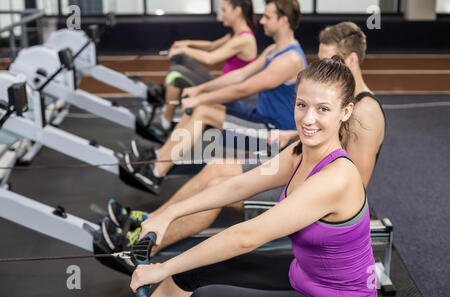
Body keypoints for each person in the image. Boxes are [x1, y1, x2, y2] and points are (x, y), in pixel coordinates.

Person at [104, 22, 385, 255]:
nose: (325, 67)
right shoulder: (340, 101)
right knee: (217, 169)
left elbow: (356, 185)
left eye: (331, 61)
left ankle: (140, 250)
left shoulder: (366, 112)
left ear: (351, 60)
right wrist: (291, 134)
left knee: (219, 191)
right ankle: (151, 221)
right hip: (297, 169)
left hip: (312, 198)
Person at [129, 56, 378, 297]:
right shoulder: (298, 152)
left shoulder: (336, 178)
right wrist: (168, 214)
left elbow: (245, 238)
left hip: (333, 296)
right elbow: (239, 186)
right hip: (303, 275)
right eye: (302, 105)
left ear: (345, 112)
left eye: (323, 109)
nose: (307, 118)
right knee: (187, 274)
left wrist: (162, 267)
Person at [121, 0, 307, 196]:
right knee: (202, 109)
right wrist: (200, 90)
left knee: (202, 111)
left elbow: (242, 88)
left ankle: (156, 171)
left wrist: (199, 98)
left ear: (283, 20)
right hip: (260, 117)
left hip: (274, 135)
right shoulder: (272, 50)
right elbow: (239, 75)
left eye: (268, 17)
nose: (261, 21)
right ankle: (160, 160)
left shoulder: (290, 59)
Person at [141, 0, 258, 142]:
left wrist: (185, 49)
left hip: (226, 96)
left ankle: (165, 121)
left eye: (224, 10)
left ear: (237, 11)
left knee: (176, 74)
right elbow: (211, 46)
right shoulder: (236, 35)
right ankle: (166, 103)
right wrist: (187, 43)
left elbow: (210, 58)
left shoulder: (244, 39)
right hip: (220, 86)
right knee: (181, 59)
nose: (222, 15)